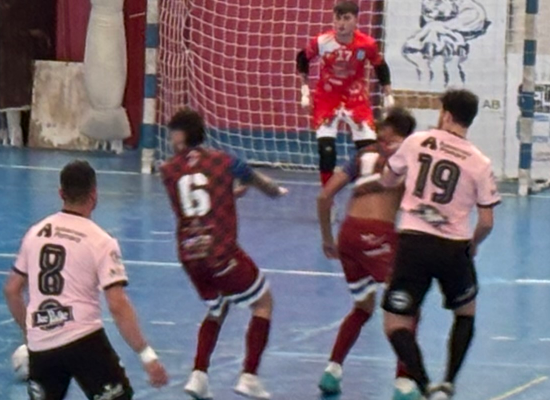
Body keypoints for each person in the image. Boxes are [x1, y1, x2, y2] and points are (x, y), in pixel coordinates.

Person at [3, 160, 168, 400]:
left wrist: (31, 333)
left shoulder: (35, 233)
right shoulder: (100, 241)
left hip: (42, 346)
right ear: (94, 194)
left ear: (61, 193)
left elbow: (12, 290)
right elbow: (117, 305)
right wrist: (146, 355)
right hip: (84, 341)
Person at [160, 108, 288, 400]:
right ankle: (249, 376)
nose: (169, 141)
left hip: (189, 255)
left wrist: (227, 194)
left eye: (172, 135)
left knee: (218, 307)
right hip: (219, 252)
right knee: (264, 302)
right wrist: (274, 191)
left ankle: (199, 375)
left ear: (180, 137)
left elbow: (196, 198)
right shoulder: (223, 161)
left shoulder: (167, 170)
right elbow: (255, 180)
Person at [381, 89, 501, 399]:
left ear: (446, 115)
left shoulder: (416, 141)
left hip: (414, 242)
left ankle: (425, 386)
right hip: (454, 247)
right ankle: (448, 382)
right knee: (465, 313)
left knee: (395, 323)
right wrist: (473, 244)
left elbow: (387, 180)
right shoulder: (479, 162)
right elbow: (487, 222)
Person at [317, 107, 421, 400]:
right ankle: (403, 384)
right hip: (378, 235)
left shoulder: (362, 155)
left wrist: (327, 240)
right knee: (407, 308)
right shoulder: (408, 155)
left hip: (347, 235)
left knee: (363, 306)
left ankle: (332, 371)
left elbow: (324, 196)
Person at [296, 0, 395, 188]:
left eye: (346, 19)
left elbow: (380, 66)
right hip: (327, 99)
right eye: (338, 18)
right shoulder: (322, 42)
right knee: (326, 151)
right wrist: (305, 91)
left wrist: (388, 93)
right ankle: (327, 194)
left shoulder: (366, 44)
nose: (341, 24)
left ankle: (368, 192)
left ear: (355, 21)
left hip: (355, 99)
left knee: (368, 153)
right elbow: (302, 59)